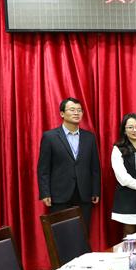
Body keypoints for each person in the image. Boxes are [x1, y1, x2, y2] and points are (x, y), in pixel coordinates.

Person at [37, 97, 101, 229]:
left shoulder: (89, 137)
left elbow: (95, 167)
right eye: (72, 110)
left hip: (84, 193)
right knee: (61, 233)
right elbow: (43, 168)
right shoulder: (50, 137)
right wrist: (45, 193)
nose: (76, 113)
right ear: (62, 113)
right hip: (59, 194)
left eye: (79, 110)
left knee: (83, 232)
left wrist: (95, 190)